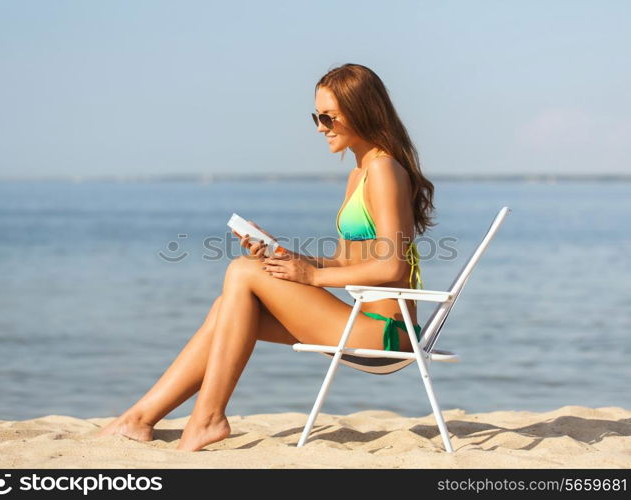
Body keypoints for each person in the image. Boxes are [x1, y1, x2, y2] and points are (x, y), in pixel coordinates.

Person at [96, 63, 435, 451]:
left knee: (243, 271)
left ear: (362, 111)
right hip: (363, 321)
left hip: (384, 333)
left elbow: (393, 266)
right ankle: (138, 419)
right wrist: (286, 256)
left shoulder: (384, 169)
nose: (321, 126)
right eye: (316, 116)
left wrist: (309, 277)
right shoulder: (360, 172)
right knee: (231, 306)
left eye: (329, 117)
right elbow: (346, 261)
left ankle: (206, 418)